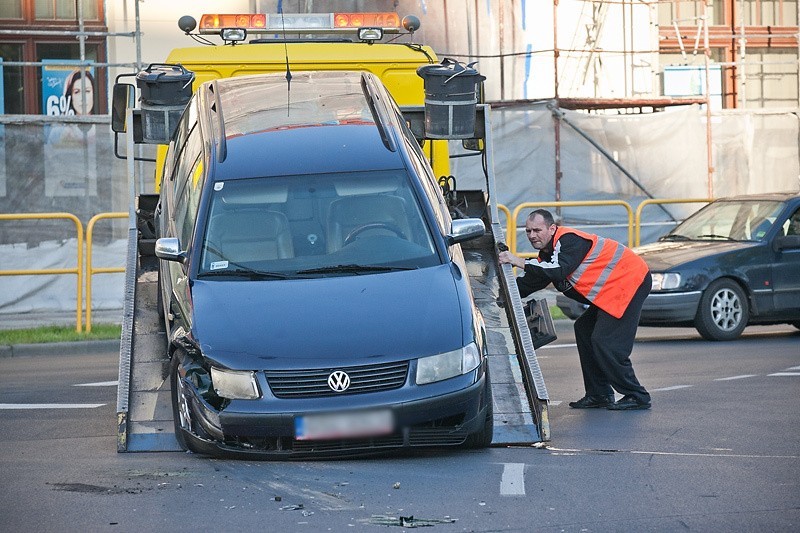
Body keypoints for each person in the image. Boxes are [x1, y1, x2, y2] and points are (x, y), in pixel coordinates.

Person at [498, 209, 652, 410]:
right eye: (527, 231)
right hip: (611, 288)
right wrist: (497, 298)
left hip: (630, 281)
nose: (532, 235)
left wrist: (519, 261)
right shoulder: (548, 256)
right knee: (584, 329)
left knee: (605, 341)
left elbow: (560, 269)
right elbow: (529, 283)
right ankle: (599, 394)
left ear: (552, 228)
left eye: (537, 230)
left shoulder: (569, 241)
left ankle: (637, 395)